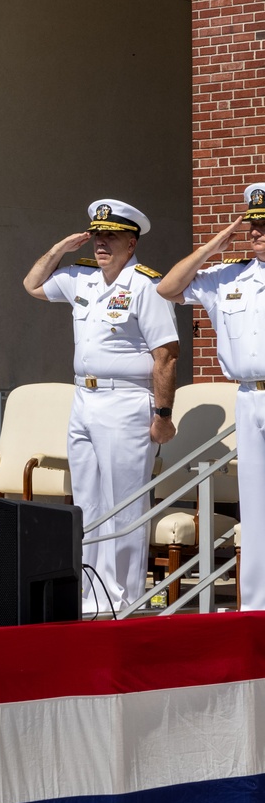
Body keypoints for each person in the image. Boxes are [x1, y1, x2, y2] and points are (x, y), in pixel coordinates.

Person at [23, 199, 179, 615]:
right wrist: (60, 248)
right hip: (84, 399)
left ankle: (123, 596)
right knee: (88, 501)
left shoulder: (146, 285)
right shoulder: (81, 279)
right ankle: (93, 593)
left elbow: (166, 354)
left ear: (132, 242)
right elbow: (33, 285)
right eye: (97, 235)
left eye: (111, 236)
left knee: (124, 501)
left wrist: (163, 416)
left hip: (127, 400)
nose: (101, 244)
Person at [157, 183, 265, 609]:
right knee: (255, 506)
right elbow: (168, 288)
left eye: (263, 224)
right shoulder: (227, 275)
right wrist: (215, 244)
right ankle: (258, 608)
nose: (255, 231)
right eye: (251, 224)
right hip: (248, 396)